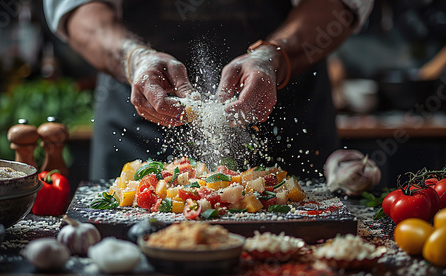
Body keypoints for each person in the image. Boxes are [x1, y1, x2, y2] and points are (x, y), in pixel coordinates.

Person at [44, 0, 373, 180]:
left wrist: (272, 56)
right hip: (139, 123)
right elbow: (77, 9)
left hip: (285, 115)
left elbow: (340, 6)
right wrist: (133, 58)